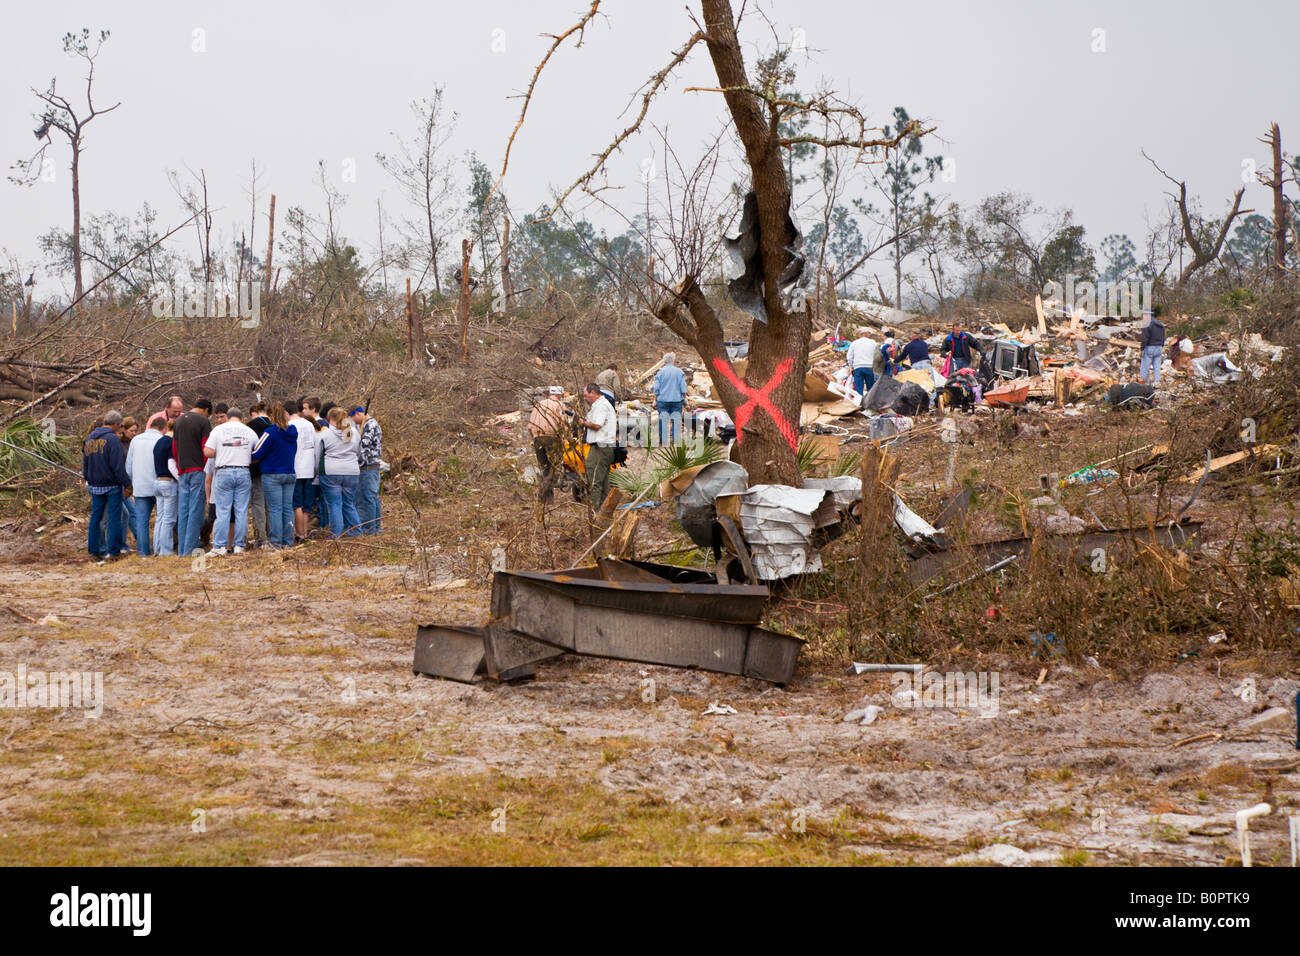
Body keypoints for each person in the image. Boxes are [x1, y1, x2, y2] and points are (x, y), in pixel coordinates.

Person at [203, 406, 258, 555]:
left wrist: (220, 452)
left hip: (224, 471)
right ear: (242, 418)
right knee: (241, 511)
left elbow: (207, 451)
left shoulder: (218, 430)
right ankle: (239, 545)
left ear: (227, 417)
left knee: (223, 511)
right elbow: (258, 453)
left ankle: (219, 546)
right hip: (243, 471)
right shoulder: (250, 431)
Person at [83, 410, 130, 562]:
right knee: (115, 518)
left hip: (95, 484)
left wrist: (88, 479)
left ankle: (94, 550)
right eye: (120, 425)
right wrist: (127, 483)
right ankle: (114, 551)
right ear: (116, 424)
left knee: (95, 518)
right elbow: (117, 465)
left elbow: (85, 464)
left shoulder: (90, 438)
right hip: (111, 485)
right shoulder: (112, 439)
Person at [251, 402, 298, 549]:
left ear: (271, 415)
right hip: (289, 473)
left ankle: (276, 542)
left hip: (272, 474)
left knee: (275, 509)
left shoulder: (270, 432)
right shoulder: (293, 431)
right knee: (287, 508)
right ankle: (288, 541)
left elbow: (257, 453)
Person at [173, 398, 213, 557]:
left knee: (183, 512)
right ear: (206, 410)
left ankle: (182, 549)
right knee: (196, 511)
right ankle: (190, 550)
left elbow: (174, 449)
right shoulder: (203, 421)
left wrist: (179, 467)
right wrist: (208, 470)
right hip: (198, 470)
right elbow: (205, 447)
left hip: (183, 471)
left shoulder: (178, 421)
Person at [318, 407, 362, 537]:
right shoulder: (353, 432)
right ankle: (356, 531)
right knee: (349, 503)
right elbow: (358, 452)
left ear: (330, 419)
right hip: (352, 471)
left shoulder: (325, 434)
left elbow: (318, 454)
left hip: (331, 471)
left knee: (334, 504)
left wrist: (316, 472)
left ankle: (336, 534)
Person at [125, 417, 165, 556]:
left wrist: (130, 483)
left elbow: (128, 467)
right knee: (162, 519)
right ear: (163, 428)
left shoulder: (136, 440)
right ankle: (160, 549)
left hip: (140, 487)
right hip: (158, 485)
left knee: (142, 521)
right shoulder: (161, 440)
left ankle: (143, 552)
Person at [528, 386, 568, 503]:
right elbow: (564, 423)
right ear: (560, 395)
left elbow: (530, 426)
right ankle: (542, 492)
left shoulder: (538, 405)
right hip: (552, 438)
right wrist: (567, 437)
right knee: (554, 467)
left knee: (544, 467)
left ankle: (547, 500)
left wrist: (535, 438)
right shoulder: (559, 405)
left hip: (537, 438)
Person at [581, 383, 617, 512]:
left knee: (594, 479)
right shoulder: (600, 405)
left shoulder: (602, 406)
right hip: (604, 446)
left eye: (586, 396)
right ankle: (605, 511)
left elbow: (597, 425)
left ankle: (595, 512)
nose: (585, 398)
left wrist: (582, 422)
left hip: (600, 447)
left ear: (593, 393)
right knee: (603, 480)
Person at [290, 401, 319, 543]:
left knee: (297, 505)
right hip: (309, 468)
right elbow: (315, 446)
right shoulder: (309, 425)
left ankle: (299, 533)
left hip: (295, 468)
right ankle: (305, 532)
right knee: (306, 505)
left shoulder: (291, 425)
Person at [352, 406, 383, 535]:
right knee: (373, 497)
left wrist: (357, 462)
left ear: (359, 414)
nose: (354, 421)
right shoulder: (373, 424)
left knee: (367, 498)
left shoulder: (369, 425)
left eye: (353, 418)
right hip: (373, 465)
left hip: (368, 466)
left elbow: (364, 448)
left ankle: (368, 528)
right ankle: (375, 527)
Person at [246, 402, 271, 548]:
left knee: (258, 504)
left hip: (256, 470)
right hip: (272, 471)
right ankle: (272, 534)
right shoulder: (276, 425)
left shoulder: (251, 426)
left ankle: (261, 537)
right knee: (270, 506)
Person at [152, 419, 179, 556]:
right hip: (169, 482)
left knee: (160, 518)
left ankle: (157, 549)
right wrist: (180, 480)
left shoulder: (159, 442)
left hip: (157, 481)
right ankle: (166, 551)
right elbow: (171, 465)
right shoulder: (171, 443)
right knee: (169, 519)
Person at [652, 353, 687, 445]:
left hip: (662, 400)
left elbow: (656, 388)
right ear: (673, 360)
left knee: (662, 420)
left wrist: (655, 399)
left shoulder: (660, 373)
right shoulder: (679, 372)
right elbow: (682, 386)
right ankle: (675, 440)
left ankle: (662, 440)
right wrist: (685, 398)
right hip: (676, 401)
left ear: (664, 361)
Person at [845, 329, 879, 395]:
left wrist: (851, 366)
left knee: (859, 388)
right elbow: (877, 355)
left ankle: (860, 401)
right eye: (869, 333)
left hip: (858, 367)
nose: (869, 335)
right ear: (866, 333)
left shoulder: (854, 343)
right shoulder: (873, 343)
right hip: (870, 367)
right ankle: (869, 402)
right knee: (870, 388)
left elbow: (849, 356)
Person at [1139, 309, 1165, 387]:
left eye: (1144, 315)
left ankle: (1145, 385)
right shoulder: (1160, 324)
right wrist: (1161, 345)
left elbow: (1144, 338)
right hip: (1159, 348)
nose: (1143, 317)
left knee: (1145, 367)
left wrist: (1142, 348)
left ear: (1148, 315)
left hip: (1149, 347)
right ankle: (1157, 382)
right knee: (1157, 367)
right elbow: (1163, 336)